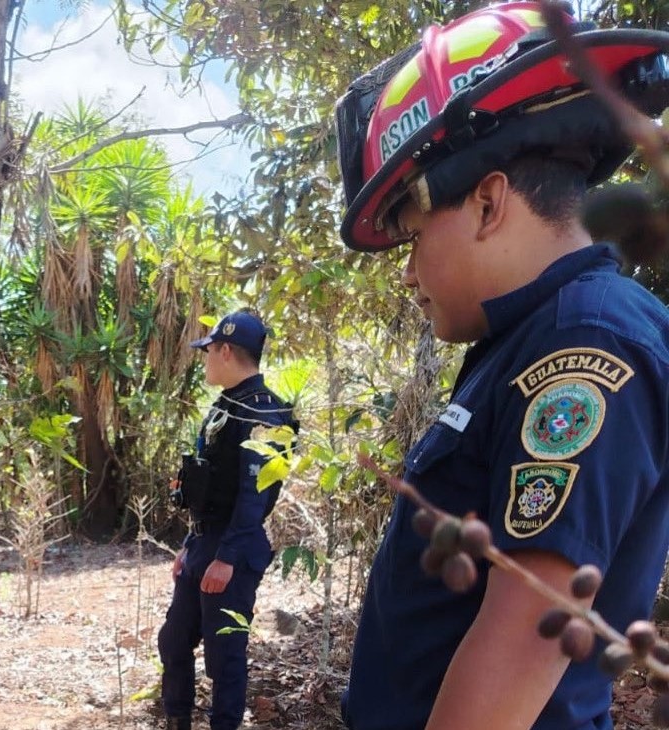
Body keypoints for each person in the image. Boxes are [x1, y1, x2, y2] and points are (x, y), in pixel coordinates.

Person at [335, 4, 669, 729]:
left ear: (487, 202)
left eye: (414, 236)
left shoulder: (585, 349)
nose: (410, 272)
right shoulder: (525, 340)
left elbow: (515, 656)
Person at [157, 310, 299, 730]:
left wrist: (227, 557)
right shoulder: (227, 406)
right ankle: (177, 719)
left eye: (208, 352)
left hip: (233, 547)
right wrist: (189, 543)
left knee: (225, 654)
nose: (204, 361)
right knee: (175, 639)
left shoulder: (265, 414)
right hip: (204, 541)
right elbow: (209, 486)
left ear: (224, 350)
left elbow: (253, 497)